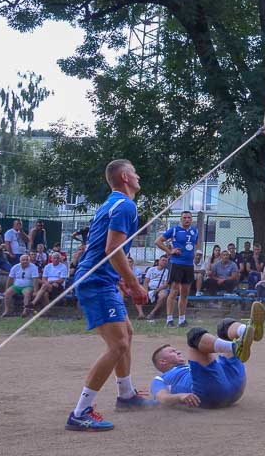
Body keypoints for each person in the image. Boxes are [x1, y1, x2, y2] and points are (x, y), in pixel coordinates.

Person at [66, 159, 155, 432]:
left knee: (126, 335)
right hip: (95, 281)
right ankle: (80, 411)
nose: (139, 176)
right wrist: (135, 284)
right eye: (136, 172)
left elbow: (110, 250)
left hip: (103, 280)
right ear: (126, 177)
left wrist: (122, 280)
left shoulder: (112, 203)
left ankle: (126, 395)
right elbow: (113, 250)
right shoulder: (125, 205)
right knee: (117, 345)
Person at [150, 302, 265, 408]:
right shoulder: (160, 379)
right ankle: (236, 346)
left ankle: (247, 331)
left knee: (224, 327)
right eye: (172, 352)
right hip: (209, 393)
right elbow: (162, 398)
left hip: (235, 384)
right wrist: (180, 397)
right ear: (162, 362)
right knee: (194, 336)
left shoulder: (189, 368)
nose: (178, 352)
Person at [155, 211, 199, 328]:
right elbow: (158, 241)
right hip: (177, 264)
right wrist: (170, 251)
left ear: (192, 219)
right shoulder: (174, 230)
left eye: (189, 218)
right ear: (181, 219)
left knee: (185, 293)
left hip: (189, 265)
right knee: (174, 291)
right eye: (184, 218)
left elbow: (196, 244)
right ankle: (169, 320)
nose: (187, 220)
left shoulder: (195, 231)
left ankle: (182, 320)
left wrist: (194, 254)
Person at [141, 255, 171, 320]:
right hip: (149, 288)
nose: (164, 262)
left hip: (160, 289)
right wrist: (145, 291)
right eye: (163, 260)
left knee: (163, 295)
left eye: (166, 261)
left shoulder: (167, 271)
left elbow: (166, 284)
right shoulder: (151, 269)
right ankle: (141, 314)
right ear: (159, 261)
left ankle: (152, 313)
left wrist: (157, 290)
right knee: (138, 294)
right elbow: (146, 282)